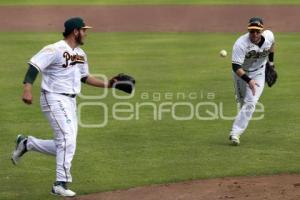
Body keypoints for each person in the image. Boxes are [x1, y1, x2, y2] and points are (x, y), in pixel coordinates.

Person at [11, 17, 116, 197]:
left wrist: (109, 84)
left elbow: (85, 77)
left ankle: (27, 143)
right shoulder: (54, 49)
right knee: (67, 139)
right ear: (75, 31)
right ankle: (60, 183)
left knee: (67, 143)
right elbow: (34, 66)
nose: (86, 33)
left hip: (70, 101)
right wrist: (27, 88)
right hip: (53, 98)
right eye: (83, 30)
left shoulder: (81, 54)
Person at [229, 17, 275, 145]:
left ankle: (235, 133)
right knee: (243, 102)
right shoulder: (240, 44)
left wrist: (271, 64)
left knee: (251, 103)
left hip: (259, 73)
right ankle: (241, 97)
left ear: (262, 31)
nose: (254, 34)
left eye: (257, 31)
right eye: (252, 31)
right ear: (248, 30)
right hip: (241, 74)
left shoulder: (269, 36)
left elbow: (272, 45)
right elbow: (235, 67)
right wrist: (249, 80)